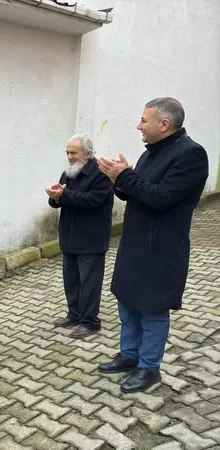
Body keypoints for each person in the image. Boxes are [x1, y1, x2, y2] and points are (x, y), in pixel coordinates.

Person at [97, 97, 208, 393]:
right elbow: (138, 193)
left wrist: (126, 176)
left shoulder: (191, 155)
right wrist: (117, 179)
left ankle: (149, 369)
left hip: (161, 249)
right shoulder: (151, 153)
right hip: (135, 244)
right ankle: (129, 355)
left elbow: (161, 198)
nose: (138, 126)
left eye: (143, 121)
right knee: (128, 303)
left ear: (164, 123)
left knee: (153, 310)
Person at [46, 134, 113, 339]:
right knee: (71, 280)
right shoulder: (68, 173)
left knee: (89, 283)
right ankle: (74, 314)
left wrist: (64, 196)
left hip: (91, 238)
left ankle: (90, 322)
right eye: (67, 152)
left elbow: (93, 200)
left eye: (73, 152)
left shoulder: (101, 174)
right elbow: (60, 200)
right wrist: (55, 197)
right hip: (70, 236)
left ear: (88, 154)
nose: (70, 156)